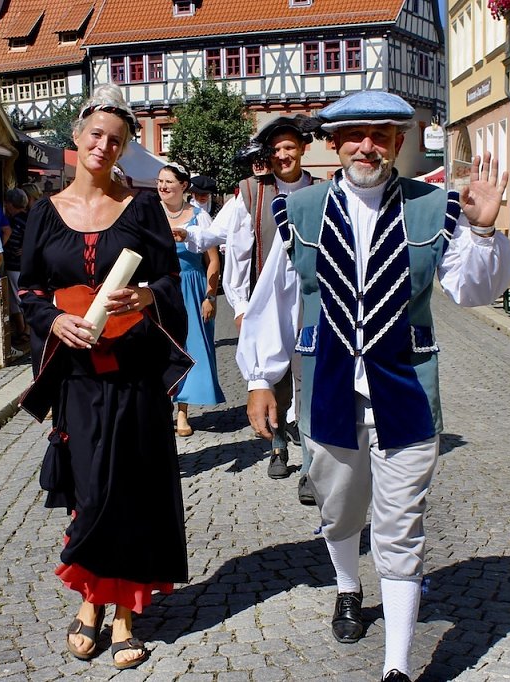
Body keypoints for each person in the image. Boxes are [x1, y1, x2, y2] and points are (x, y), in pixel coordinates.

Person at [236, 91, 510, 682]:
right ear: (334, 143)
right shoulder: (301, 210)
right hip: (328, 390)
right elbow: (278, 298)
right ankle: (347, 586)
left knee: (400, 529)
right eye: (355, 135)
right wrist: (261, 378)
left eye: (381, 135)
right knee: (339, 511)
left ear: (398, 142)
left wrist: (483, 230)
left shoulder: (431, 207)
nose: (367, 146)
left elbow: (471, 289)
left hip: (407, 390)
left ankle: (397, 667)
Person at [17, 84, 190, 672]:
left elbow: (168, 281)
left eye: (116, 141)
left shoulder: (142, 209)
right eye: (96, 135)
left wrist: (145, 296)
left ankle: (123, 615)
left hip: (134, 377)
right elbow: (28, 291)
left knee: (132, 490)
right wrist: (54, 319)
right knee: (89, 492)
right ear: (77, 136)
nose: (104, 146)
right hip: (78, 379)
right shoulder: (45, 214)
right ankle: (90, 599)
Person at [215, 114, 317, 495]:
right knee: (274, 379)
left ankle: (312, 466)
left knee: (311, 381)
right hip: (267, 301)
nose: (283, 155)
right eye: (276, 150)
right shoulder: (252, 193)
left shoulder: (322, 192)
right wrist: (241, 306)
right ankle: (278, 447)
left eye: (289, 147)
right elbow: (239, 252)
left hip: (311, 300)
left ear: (302, 149)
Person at [157, 163, 226, 436]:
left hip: (192, 287)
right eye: (160, 181)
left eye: (168, 181)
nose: (163, 186)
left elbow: (213, 261)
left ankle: (182, 412)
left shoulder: (199, 217)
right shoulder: (150, 214)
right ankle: (161, 407)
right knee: (161, 349)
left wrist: (211, 296)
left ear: (183, 185)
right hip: (160, 290)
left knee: (191, 348)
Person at [2, 187, 30, 347]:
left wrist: (25, 249)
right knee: (18, 298)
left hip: (16, 265)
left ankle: (25, 330)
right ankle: (23, 330)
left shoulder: (17, 221)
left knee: (18, 298)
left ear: (11, 204)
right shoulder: (27, 218)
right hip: (19, 265)